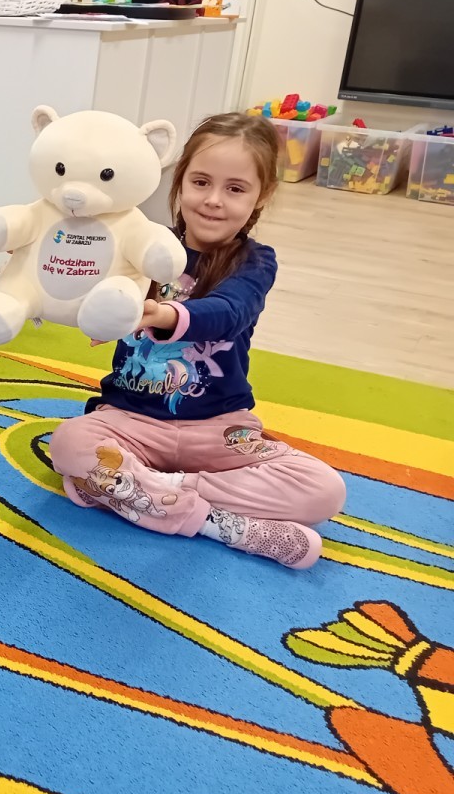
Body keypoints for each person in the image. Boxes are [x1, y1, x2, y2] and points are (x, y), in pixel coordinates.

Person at [47, 113, 346, 570]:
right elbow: (86, 292)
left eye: (235, 188)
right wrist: (42, 266)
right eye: (201, 182)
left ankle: (136, 490)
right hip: (130, 421)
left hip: (218, 429)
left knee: (324, 490)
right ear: (180, 182)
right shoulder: (142, 245)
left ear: (262, 195)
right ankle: (220, 524)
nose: (213, 200)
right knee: (69, 442)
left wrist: (165, 314)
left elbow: (228, 313)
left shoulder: (256, 263)